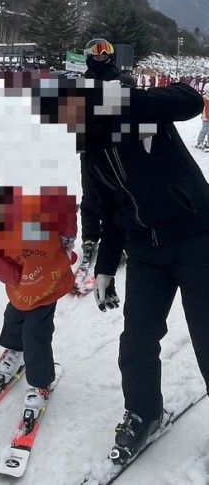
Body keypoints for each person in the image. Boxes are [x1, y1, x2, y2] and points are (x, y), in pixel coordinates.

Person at [42, 79, 209, 465]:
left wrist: (127, 97)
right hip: (146, 252)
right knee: (137, 341)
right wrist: (104, 268)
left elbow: (189, 99)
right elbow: (108, 213)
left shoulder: (138, 114)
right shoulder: (92, 153)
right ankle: (144, 412)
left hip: (197, 238)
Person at [0, 178, 77, 422]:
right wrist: (3, 270)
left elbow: (64, 201)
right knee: (13, 316)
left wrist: (67, 236)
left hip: (49, 281)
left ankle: (40, 381)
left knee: (35, 333)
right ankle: (14, 351)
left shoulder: (32, 208)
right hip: (23, 288)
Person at [79, 38, 136, 266]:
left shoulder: (122, 80)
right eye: (97, 53)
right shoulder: (83, 82)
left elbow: (130, 109)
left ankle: (121, 239)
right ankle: (90, 236)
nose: (101, 56)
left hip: (116, 148)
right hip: (90, 146)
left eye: (105, 52)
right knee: (90, 193)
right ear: (89, 56)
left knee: (119, 194)